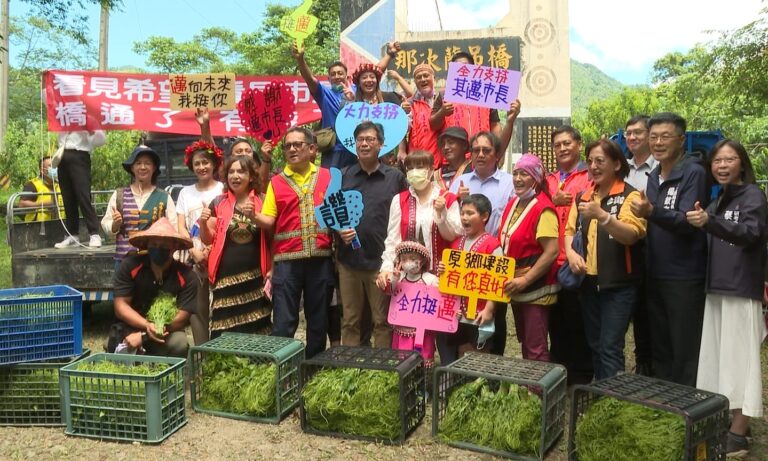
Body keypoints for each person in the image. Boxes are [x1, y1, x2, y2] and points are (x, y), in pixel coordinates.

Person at [685, 140, 767, 459]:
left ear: (742, 164)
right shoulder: (718, 200)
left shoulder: (753, 195)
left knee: (740, 362)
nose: (722, 165)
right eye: (717, 160)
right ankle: (732, 422)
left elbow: (751, 233)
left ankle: (739, 434)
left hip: (740, 288)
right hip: (717, 288)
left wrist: (710, 222)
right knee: (720, 360)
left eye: (729, 159)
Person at [630, 112, 708, 387]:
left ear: (681, 140)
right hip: (655, 272)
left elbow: (689, 222)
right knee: (660, 344)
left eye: (665, 136)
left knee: (684, 347)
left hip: (684, 275)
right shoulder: (653, 175)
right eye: (654, 137)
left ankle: (687, 401)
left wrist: (652, 211)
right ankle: (665, 400)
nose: (658, 142)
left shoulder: (693, 172)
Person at [249, 126, 334, 359]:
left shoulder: (328, 177)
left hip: (321, 259)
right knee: (284, 321)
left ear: (312, 149)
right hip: (286, 261)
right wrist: (253, 216)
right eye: (288, 146)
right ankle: (283, 368)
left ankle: (314, 367)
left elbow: (339, 214)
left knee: (318, 320)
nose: (292, 149)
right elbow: (269, 220)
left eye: (298, 144)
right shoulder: (276, 182)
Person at [565, 140, 646, 379]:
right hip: (588, 283)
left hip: (619, 285)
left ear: (617, 164)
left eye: (600, 161)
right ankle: (600, 394)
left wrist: (602, 216)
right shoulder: (583, 196)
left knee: (610, 348)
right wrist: (571, 254)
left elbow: (631, 235)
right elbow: (569, 231)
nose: (593, 166)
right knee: (595, 345)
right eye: (590, 161)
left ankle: (612, 397)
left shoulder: (630, 196)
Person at [377, 149, 462, 362]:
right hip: (410, 278)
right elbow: (393, 240)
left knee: (444, 333)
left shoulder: (448, 198)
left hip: (441, 275)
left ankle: (445, 375)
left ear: (432, 170)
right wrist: (386, 269)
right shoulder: (400, 200)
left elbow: (454, 236)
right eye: (410, 168)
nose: (415, 172)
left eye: (421, 167)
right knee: (411, 334)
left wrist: (441, 214)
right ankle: (414, 375)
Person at [335, 121, 408, 348]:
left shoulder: (395, 178)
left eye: (370, 139)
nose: (364, 144)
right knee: (350, 320)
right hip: (349, 261)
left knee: (382, 321)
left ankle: (382, 367)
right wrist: (338, 228)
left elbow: (406, 214)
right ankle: (349, 365)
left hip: (381, 263)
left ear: (381, 144)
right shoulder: (343, 176)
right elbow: (331, 210)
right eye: (360, 140)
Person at [448, 131, 514, 356]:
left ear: (497, 154)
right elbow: (449, 218)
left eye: (486, 150)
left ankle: (492, 370)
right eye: (476, 150)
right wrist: (455, 199)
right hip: (463, 263)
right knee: (463, 337)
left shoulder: (509, 183)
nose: (481, 154)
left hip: (494, 261)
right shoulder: (460, 182)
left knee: (491, 332)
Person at [291, 41, 399, 169]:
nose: (337, 76)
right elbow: (309, 79)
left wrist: (389, 55)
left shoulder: (357, 90)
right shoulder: (324, 94)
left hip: (357, 150)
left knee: (358, 180)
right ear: (328, 79)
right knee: (331, 181)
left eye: (340, 73)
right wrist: (300, 59)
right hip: (333, 151)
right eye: (333, 74)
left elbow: (374, 71)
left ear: (346, 76)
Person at [199, 155, 272, 339]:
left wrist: (273, 268)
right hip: (225, 277)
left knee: (256, 328)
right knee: (223, 328)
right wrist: (203, 223)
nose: (235, 176)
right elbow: (208, 240)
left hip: (256, 276)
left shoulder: (263, 200)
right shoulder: (218, 202)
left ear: (251, 176)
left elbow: (272, 237)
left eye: (241, 171)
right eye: (231, 172)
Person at [497, 154, 559, 362]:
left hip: (535, 287)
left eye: (524, 174)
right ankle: (527, 381)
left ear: (536, 178)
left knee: (536, 346)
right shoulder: (514, 203)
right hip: (515, 284)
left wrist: (525, 279)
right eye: (515, 173)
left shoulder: (543, 208)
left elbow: (551, 251)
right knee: (525, 340)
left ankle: (540, 383)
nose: (517, 179)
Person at [545, 125, 593, 384]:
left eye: (567, 143)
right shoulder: (549, 179)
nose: (562, 148)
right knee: (556, 323)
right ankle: (558, 374)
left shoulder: (589, 175)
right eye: (557, 145)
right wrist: (552, 200)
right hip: (550, 262)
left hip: (577, 260)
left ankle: (581, 379)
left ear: (579, 145)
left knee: (578, 322)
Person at [109, 217, 198, 358]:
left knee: (179, 342)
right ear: (147, 245)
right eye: (155, 244)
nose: (159, 248)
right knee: (117, 344)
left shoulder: (187, 276)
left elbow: (181, 318)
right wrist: (146, 325)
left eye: (164, 245)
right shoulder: (129, 266)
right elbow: (121, 306)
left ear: (174, 247)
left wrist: (146, 335)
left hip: (165, 331)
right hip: (130, 328)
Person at [176, 138, 224, 345]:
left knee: (222, 304)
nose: (202, 167)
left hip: (220, 253)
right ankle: (202, 351)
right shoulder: (185, 193)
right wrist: (194, 251)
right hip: (193, 256)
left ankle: (222, 347)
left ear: (213, 164)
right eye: (197, 163)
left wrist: (210, 250)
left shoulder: (223, 188)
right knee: (198, 307)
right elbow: (180, 226)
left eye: (205, 162)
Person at [444, 194, 503, 357]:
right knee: (461, 351)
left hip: (479, 312)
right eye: (462, 213)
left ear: (485, 216)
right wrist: (444, 270)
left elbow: (498, 281)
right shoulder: (457, 243)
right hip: (458, 313)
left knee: (479, 354)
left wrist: (489, 309)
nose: (464, 217)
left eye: (470, 213)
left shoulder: (492, 245)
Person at [101, 145, 177, 265]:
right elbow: (106, 224)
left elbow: (174, 230)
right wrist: (115, 225)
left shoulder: (164, 197)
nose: (143, 167)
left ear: (154, 168)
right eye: (138, 163)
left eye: (147, 163)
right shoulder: (119, 195)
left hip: (154, 263)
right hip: (124, 262)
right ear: (132, 167)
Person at [622, 114, 656, 377]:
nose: (632, 137)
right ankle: (638, 363)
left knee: (649, 307)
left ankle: (650, 365)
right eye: (628, 133)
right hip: (623, 246)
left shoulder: (660, 168)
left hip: (653, 246)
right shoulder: (621, 167)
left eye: (638, 132)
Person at [385, 240, 440, 367]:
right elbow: (390, 291)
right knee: (402, 360)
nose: (408, 262)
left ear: (422, 260)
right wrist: (394, 278)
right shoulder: (399, 276)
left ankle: (423, 377)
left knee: (422, 360)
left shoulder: (430, 279)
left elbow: (440, 298)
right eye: (404, 259)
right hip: (402, 328)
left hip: (422, 329)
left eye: (413, 258)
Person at [430, 52, 503, 140]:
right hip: (454, 147)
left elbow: (495, 124)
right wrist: (442, 113)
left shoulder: (486, 94)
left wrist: (496, 146)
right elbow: (433, 125)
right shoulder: (443, 95)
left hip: (480, 147)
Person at [54, 128, 106, 248]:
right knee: (67, 198)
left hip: (80, 154)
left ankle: (94, 234)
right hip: (62, 155)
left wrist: (90, 131)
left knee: (83, 196)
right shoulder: (63, 118)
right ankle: (72, 235)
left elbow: (102, 140)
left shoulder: (89, 119)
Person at [397, 64, 441, 166]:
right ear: (415, 82)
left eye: (426, 75)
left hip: (440, 161)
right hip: (416, 161)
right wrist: (402, 150)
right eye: (419, 77)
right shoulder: (409, 103)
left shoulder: (442, 99)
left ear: (434, 78)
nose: (423, 79)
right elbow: (401, 129)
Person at [19, 156, 64, 222]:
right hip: (36, 226)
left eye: (56, 165)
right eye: (51, 166)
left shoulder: (62, 185)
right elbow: (22, 204)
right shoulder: (33, 185)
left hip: (60, 224)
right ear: (42, 170)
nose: (55, 168)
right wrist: (43, 204)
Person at [433, 127, 472, 191]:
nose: (445, 147)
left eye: (451, 142)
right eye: (442, 144)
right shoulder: (436, 175)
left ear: (464, 145)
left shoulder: (473, 169)